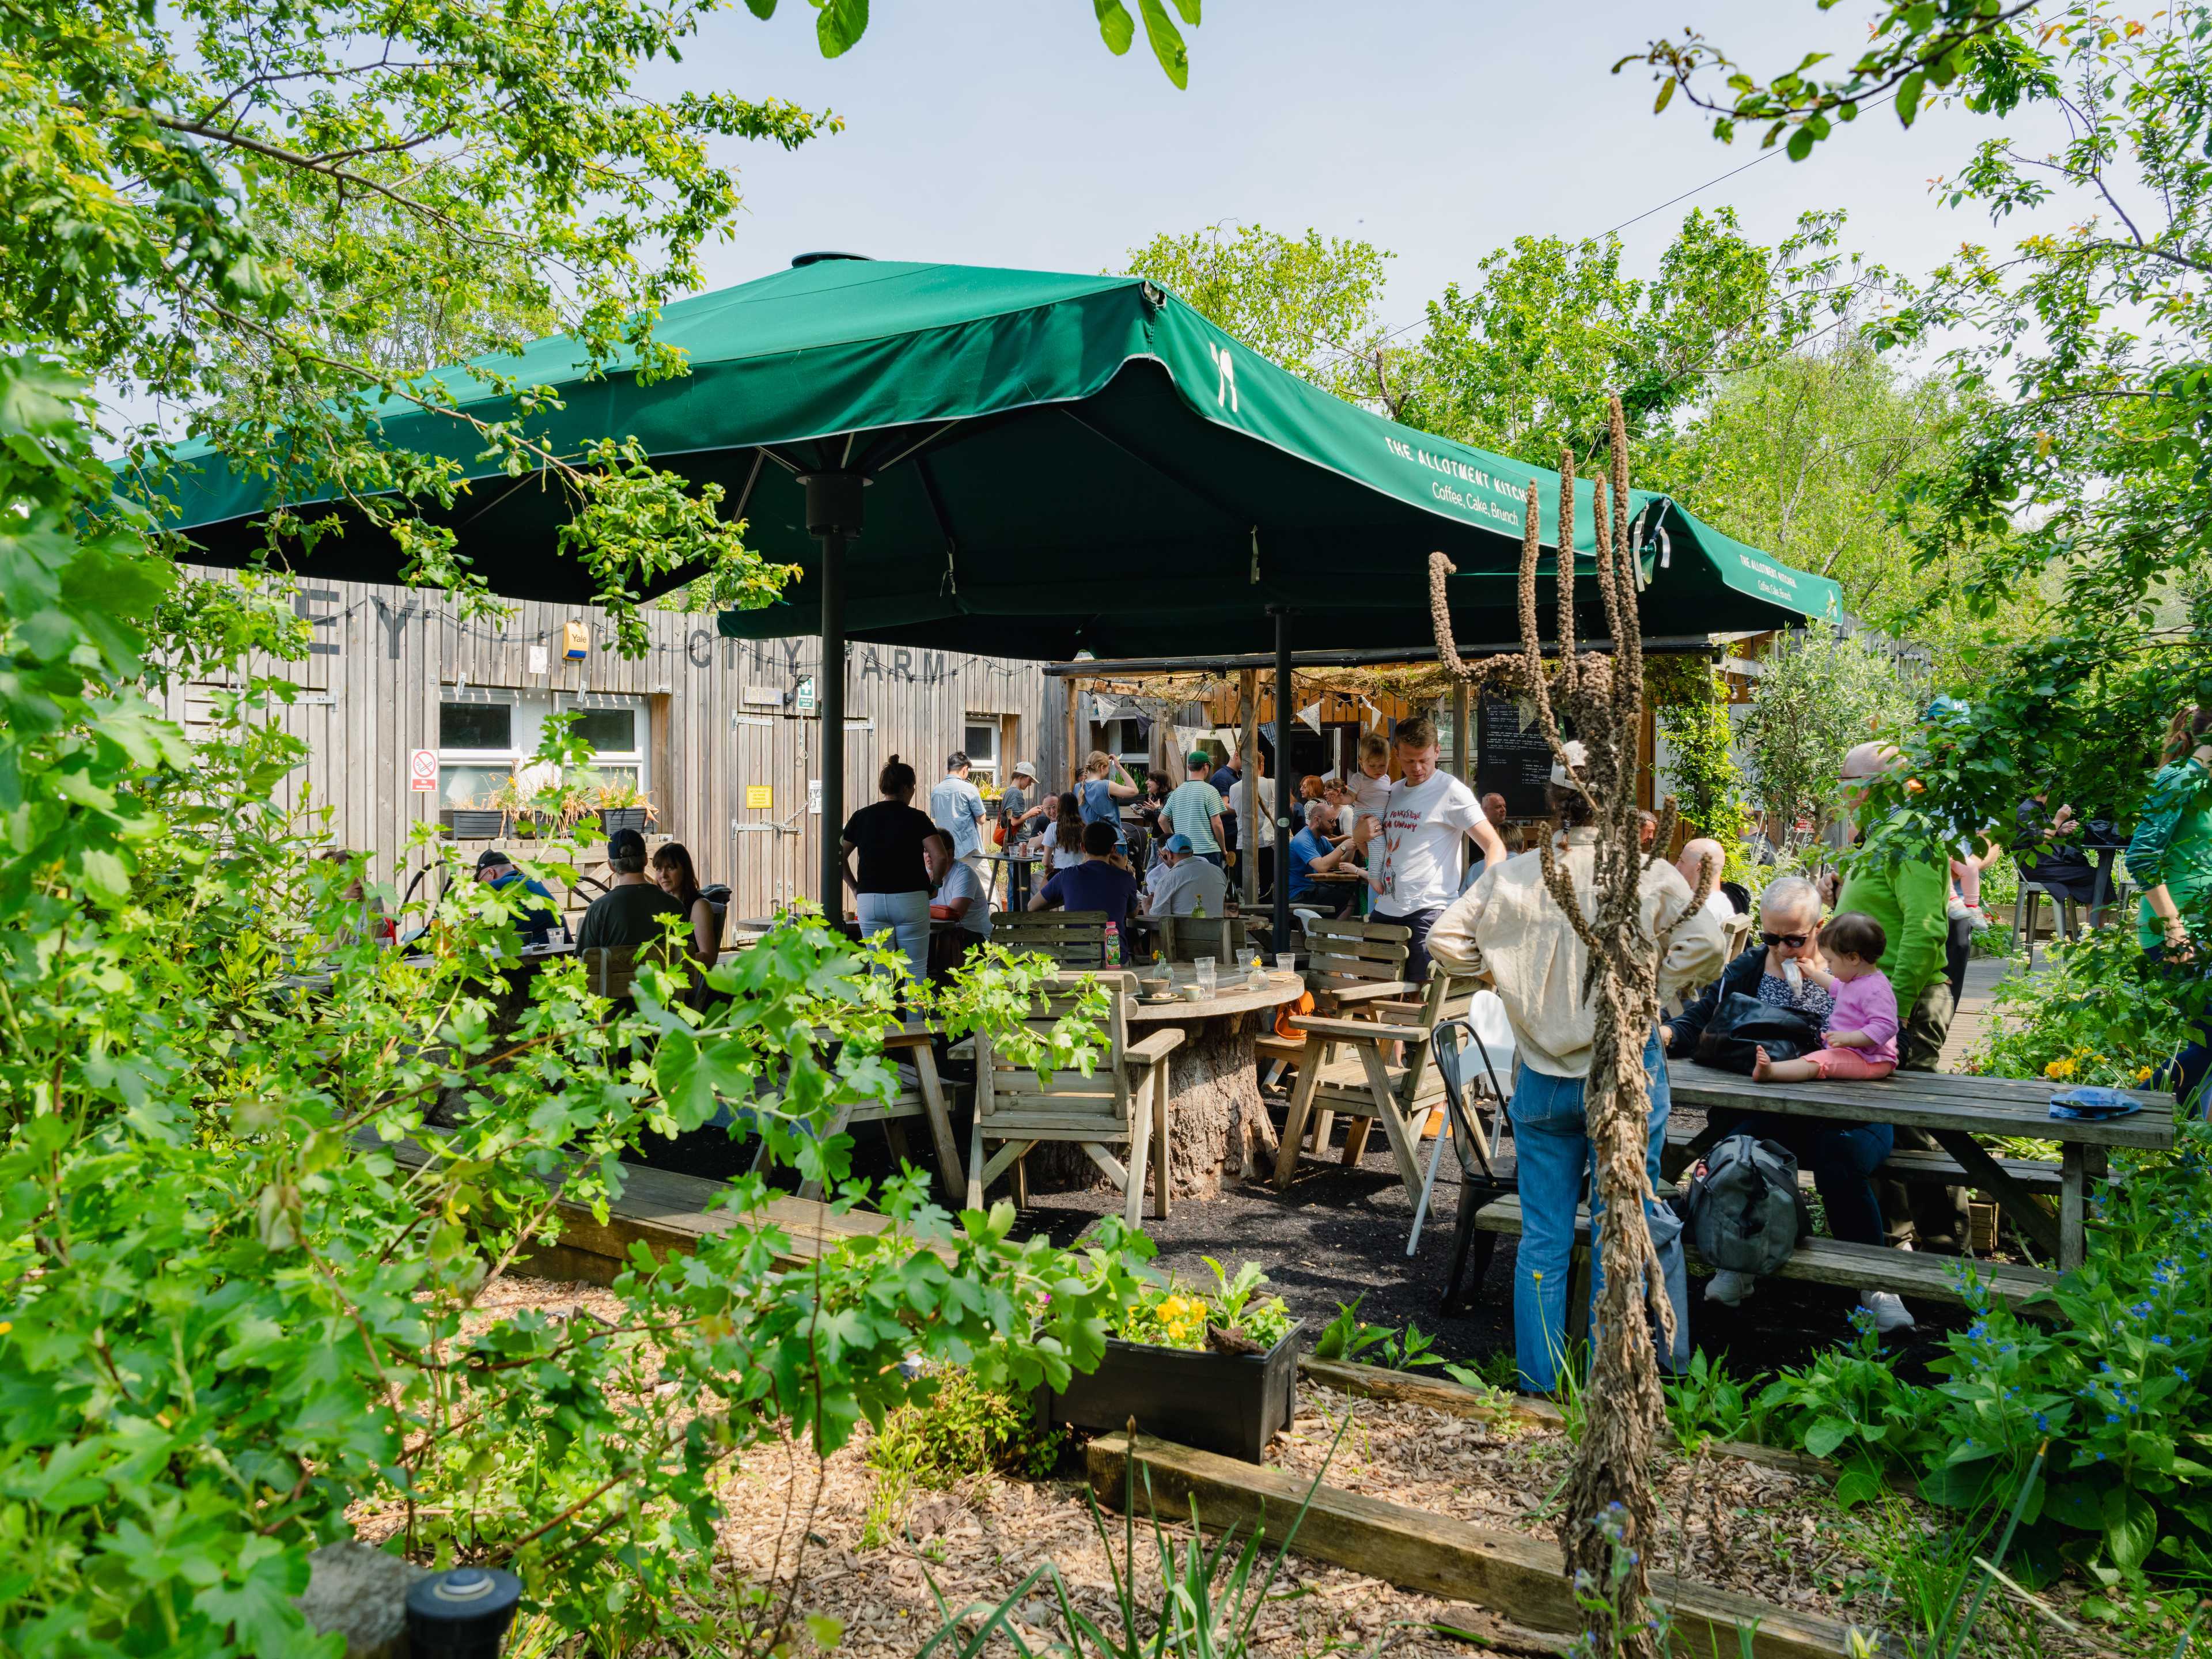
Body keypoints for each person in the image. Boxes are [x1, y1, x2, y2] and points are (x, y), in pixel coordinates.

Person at [1425, 749, 1725, 1394]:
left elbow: (1443, 940)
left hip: (1541, 1074)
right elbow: (1710, 938)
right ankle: (1611, 1382)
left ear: (1552, 799)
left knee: (1543, 1239)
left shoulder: (1515, 876)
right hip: (1621, 1070)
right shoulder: (1646, 875)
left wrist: (1504, 979)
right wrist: (1647, 990)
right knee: (1623, 1228)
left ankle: (1540, 1385)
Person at [1833, 741, 1967, 1252]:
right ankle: (1893, 1236)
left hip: (1904, 1002)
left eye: (1846, 784)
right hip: (1869, 1000)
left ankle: (1945, 1246)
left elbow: (1926, 929)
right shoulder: (1881, 836)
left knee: (1912, 1123)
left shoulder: (1912, 835)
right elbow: (1887, 909)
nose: (1841, 796)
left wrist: (1898, 1010)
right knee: (1872, 1120)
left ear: (1872, 786)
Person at [1363, 715, 1508, 984]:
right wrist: (1360, 836)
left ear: (1437, 751)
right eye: (1409, 760)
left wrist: (1481, 898)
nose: (1417, 768)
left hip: (1430, 911)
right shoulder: (1392, 791)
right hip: (1386, 908)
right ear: (1396, 754)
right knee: (1371, 990)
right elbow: (1374, 848)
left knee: (1422, 1001)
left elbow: (1494, 846)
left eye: (1424, 760)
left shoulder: (1451, 791)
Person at [2128, 704, 2212, 1108]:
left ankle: (2190, 1155)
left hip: (2206, 927)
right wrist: (2175, 930)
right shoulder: (2180, 778)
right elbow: (2142, 858)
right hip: (2177, 932)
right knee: (2210, 1041)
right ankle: (2117, 1119)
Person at [1752, 912, 1898, 1084]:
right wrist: (1814, 973)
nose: (1828, 966)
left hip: (1870, 1060)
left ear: (1853, 958)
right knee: (1821, 1056)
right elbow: (1834, 986)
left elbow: (1886, 1026)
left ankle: (1771, 1072)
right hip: (1853, 1053)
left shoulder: (1875, 989)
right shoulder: (1855, 980)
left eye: (1830, 962)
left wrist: (1849, 1039)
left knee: (1819, 1062)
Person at [840, 754, 939, 984]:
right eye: (913, 787)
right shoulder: (917, 818)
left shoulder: (861, 817)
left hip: (870, 899)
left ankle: (882, 1021)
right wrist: (936, 883)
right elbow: (940, 856)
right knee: (915, 971)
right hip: (911, 898)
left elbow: (838, 858)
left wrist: (855, 887)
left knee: (879, 971)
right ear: (906, 788)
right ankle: (914, 1021)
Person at [575, 827, 688, 952]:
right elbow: (689, 956)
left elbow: (585, 963)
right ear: (646, 860)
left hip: (612, 972)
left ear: (611, 866)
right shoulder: (675, 906)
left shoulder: (598, 909)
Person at [1032, 820, 1140, 925]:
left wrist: (1064, 895)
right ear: (1114, 849)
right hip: (1112, 942)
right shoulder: (1125, 878)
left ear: (1083, 848)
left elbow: (1032, 906)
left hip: (1076, 943)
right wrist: (1124, 872)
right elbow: (1132, 914)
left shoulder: (1066, 876)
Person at [650, 841, 720, 968]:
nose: (663, 875)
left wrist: (670, 962)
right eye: (659, 869)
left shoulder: (699, 906)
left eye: (670, 868)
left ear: (685, 870)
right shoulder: (659, 904)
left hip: (687, 979)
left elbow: (709, 957)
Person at [924, 828, 991, 955]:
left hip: (975, 939)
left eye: (933, 851)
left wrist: (917, 909)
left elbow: (954, 914)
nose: (928, 855)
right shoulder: (924, 875)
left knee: (942, 940)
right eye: (926, 851)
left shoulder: (964, 874)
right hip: (941, 934)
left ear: (949, 854)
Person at [928, 749, 990, 887]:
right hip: (967, 847)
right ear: (965, 769)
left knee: (950, 885)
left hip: (945, 847)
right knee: (985, 884)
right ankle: (992, 910)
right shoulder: (969, 788)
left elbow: (935, 816)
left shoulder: (936, 791)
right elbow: (982, 819)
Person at [1158, 751, 1228, 869]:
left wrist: (1175, 841)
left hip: (1183, 852)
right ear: (1206, 766)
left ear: (1189, 767)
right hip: (1208, 851)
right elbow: (1217, 823)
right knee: (1211, 887)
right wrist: (1224, 850)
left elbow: (1162, 820)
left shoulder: (1176, 793)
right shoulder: (1210, 791)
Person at [1286, 800, 1359, 909]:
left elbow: (1340, 863)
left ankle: (1331, 924)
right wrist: (1343, 847)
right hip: (1298, 892)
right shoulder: (1303, 840)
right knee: (1343, 896)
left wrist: (1352, 848)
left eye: (1335, 821)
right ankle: (1328, 925)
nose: (1334, 825)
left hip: (1311, 887)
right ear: (1317, 820)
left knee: (1352, 891)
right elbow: (1321, 867)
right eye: (1331, 821)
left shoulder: (1321, 840)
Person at [1143, 833, 1229, 918]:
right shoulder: (1218, 872)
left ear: (1169, 854)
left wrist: (1147, 907)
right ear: (1192, 852)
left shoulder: (1167, 880)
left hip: (1188, 931)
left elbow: (1158, 921)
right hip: (1222, 930)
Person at [1077, 749, 1139, 845]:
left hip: (1090, 843)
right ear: (1102, 768)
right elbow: (1134, 791)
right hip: (1113, 842)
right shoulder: (1106, 786)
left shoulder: (1078, 788)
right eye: (1108, 768)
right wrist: (1119, 767)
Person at [1674, 838, 1737, 930]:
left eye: (1682, 861)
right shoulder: (1722, 902)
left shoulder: (1698, 911)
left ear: (1699, 868)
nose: (1677, 866)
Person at [1348, 730, 1393, 825]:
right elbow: (1350, 797)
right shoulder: (1359, 778)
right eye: (1372, 766)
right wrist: (1341, 799)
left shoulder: (1386, 779)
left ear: (1388, 762)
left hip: (1381, 822)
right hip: (1364, 821)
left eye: (1382, 765)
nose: (1378, 770)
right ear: (1361, 763)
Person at [1041, 791, 1086, 874]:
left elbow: (1045, 862)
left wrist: (1051, 866)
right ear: (1076, 808)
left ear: (1059, 808)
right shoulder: (1085, 828)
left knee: (1039, 882)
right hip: (1081, 873)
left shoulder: (1053, 827)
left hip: (1061, 874)